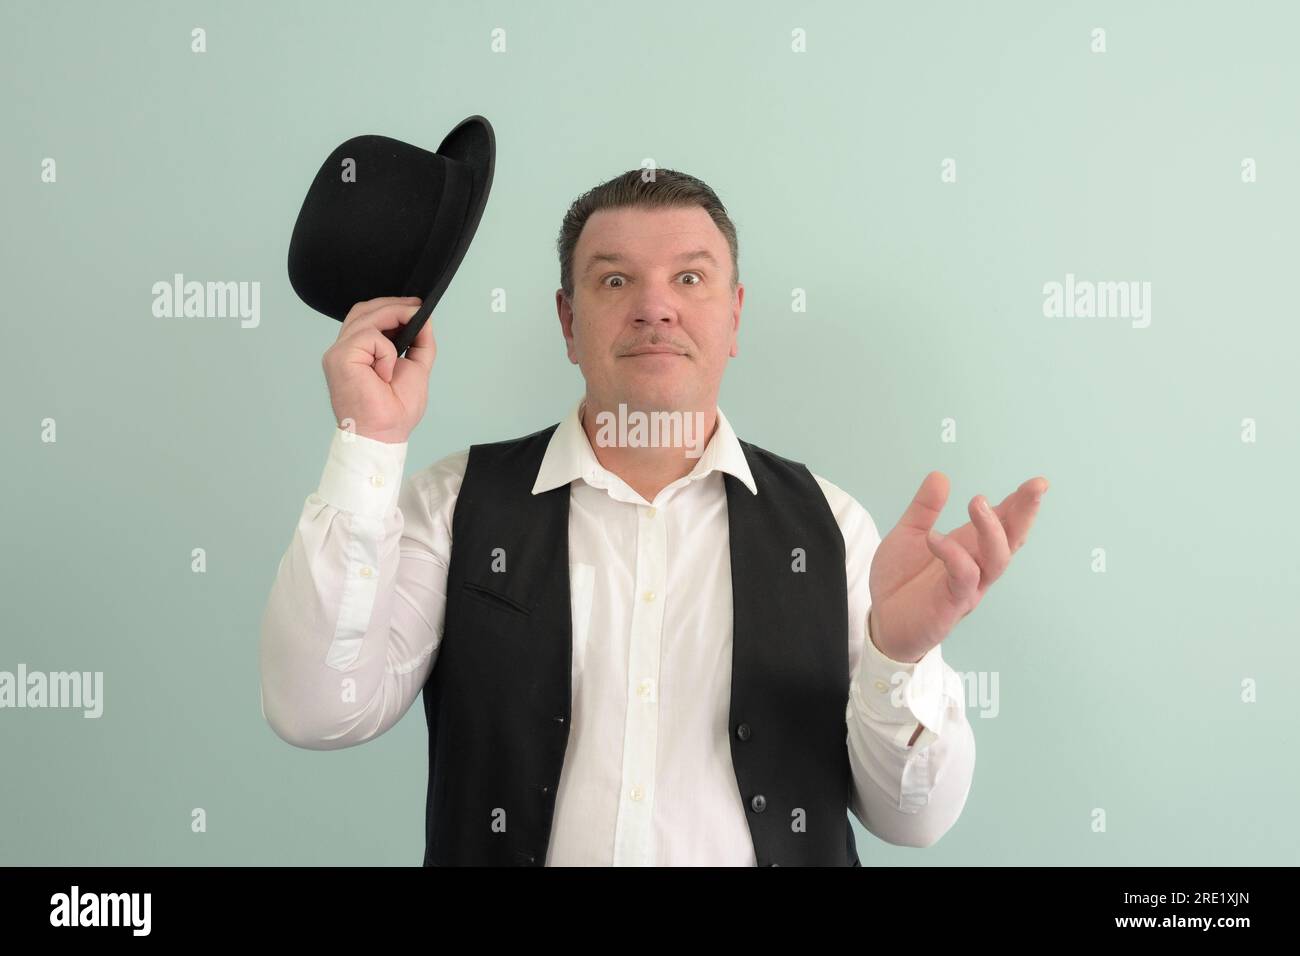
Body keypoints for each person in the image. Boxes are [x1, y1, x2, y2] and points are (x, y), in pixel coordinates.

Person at [258, 169, 1048, 866]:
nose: (655, 308)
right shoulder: (453, 502)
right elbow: (315, 711)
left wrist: (899, 659)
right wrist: (370, 440)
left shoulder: (832, 527)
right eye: (613, 282)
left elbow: (915, 824)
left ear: (735, 318)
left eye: (692, 280)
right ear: (568, 323)